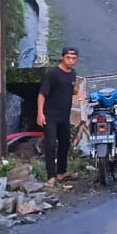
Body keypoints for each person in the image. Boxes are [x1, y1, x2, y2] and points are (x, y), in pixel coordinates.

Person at [37, 46, 80, 183]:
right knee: (50, 145)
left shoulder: (72, 73)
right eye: (68, 58)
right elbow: (42, 94)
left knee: (65, 143)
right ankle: (51, 176)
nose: (71, 61)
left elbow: (69, 89)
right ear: (62, 57)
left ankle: (61, 172)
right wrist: (40, 113)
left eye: (74, 58)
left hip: (64, 116)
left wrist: (76, 91)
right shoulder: (53, 73)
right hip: (50, 115)